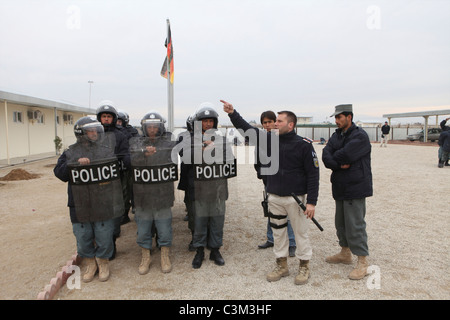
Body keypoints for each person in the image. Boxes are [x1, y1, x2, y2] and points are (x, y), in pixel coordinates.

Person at [221, 100, 319, 285]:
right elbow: (246, 129)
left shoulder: (304, 145)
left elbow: (313, 174)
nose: (275, 124)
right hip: (274, 197)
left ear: (290, 124)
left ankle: (304, 266)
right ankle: (281, 265)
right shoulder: (269, 139)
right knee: (278, 233)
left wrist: (311, 202)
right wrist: (232, 113)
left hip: (295, 199)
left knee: (300, 234)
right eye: (276, 121)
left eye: (279, 121)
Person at [54, 116, 124, 282]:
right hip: (79, 203)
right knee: (83, 235)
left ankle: (103, 262)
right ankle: (90, 263)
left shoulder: (105, 150)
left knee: (104, 234)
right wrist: (75, 164)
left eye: (95, 130)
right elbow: (59, 172)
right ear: (81, 133)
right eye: (90, 130)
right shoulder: (70, 152)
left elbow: (115, 172)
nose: (94, 133)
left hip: (101, 201)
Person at [177, 103, 236, 269]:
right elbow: (184, 156)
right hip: (197, 189)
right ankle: (199, 251)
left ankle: (215, 249)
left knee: (217, 221)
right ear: (198, 122)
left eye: (211, 121)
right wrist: (203, 149)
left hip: (217, 188)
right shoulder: (188, 139)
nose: (208, 124)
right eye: (204, 121)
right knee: (199, 221)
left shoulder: (222, 141)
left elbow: (229, 161)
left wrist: (217, 150)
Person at [322, 104, 373, 280]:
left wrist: (335, 157)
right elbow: (326, 155)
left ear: (349, 117)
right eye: (335, 118)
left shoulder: (360, 136)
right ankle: (345, 252)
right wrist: (336, 162)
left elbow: (346, 155)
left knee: (355, 224)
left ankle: (362, 261)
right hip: (340, 185)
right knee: (341, 223)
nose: (336, 121)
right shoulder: (337, 135)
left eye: (339, 117)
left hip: (355, 186)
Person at [129, 111, 177, 274]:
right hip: (142, 195)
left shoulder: (168, 143)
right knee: (143, 228)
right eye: (149, 126)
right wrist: (144, 154)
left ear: (160, 127)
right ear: (144, 127)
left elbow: (176, 159)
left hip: (162, 194)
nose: (152, 129)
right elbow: (128, 161)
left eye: (155, 126)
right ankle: (145, 256)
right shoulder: (136, 144)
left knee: (164, 228)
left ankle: (164, 255)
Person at [256, 111, 297, 257]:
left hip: (282, 181)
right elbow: (258, 159)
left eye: (270, 122)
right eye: (264, 122)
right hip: (268, 180)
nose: (267, 125)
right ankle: (271, 238)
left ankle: (291, 242)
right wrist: (261, 172)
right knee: (270, 210)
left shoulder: (281, 138)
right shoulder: (263, 139)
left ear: (275, 122)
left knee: (287, 212)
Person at [96, 101, 131, 260]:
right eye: (103, 116)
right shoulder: (92, 133)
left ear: (114, 118)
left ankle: (113, 236)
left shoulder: (120, 135)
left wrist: (128, 163)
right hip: (97, 180)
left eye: (109, 116)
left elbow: (126, 154)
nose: (106, 119)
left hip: (117, 177)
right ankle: (103, 242)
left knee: (118, 207)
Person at [117, 110, 140, 224]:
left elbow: (136, 145)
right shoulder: (112, 133)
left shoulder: (132, 131)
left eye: (120, 121)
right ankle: (123, 213)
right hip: (118, 166)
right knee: (122, 191)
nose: (118, 123)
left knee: (132, 188)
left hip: (130, 165)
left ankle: (134, 206)